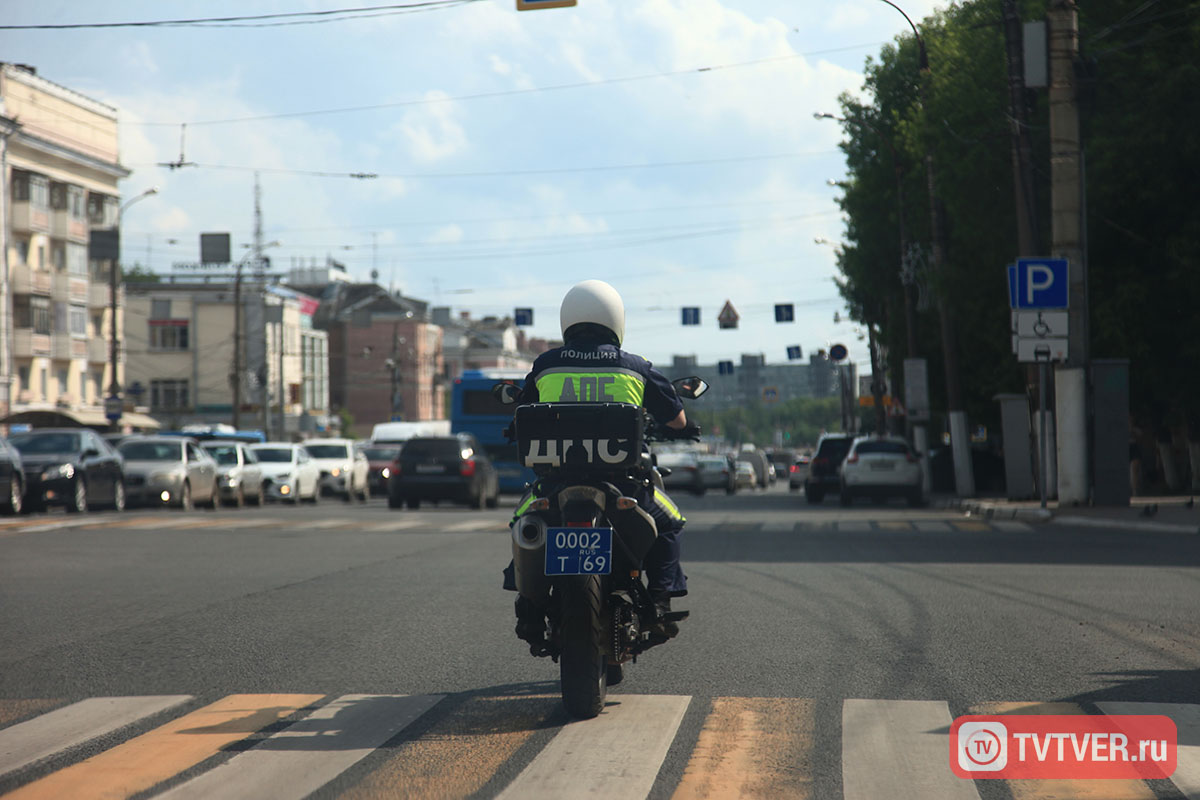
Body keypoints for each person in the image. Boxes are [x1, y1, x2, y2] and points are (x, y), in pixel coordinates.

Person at [504, 279, 693, 644]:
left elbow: (521, 413)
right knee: (670, 523)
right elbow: (677, 420)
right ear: (616, 321)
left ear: (568, 321)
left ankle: (528, 604)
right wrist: (682, 428)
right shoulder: (635, 366)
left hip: (555, 483)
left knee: (522, 521)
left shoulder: (546, 365)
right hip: (624, 485)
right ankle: (658, 601)